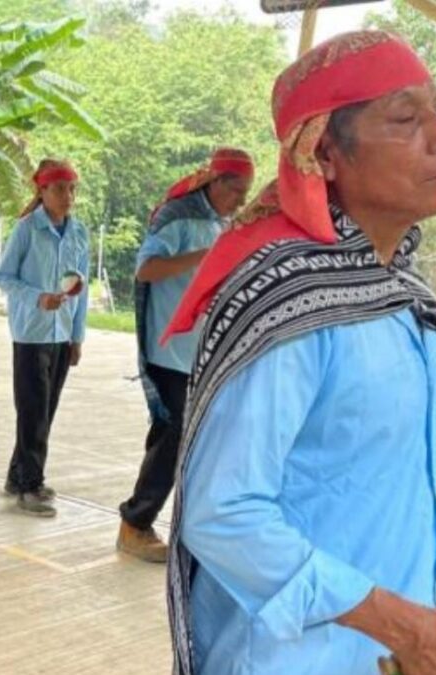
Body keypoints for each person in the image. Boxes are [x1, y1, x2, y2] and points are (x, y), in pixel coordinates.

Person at [163, 31, 436, 675]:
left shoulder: (411, 302)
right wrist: (410, 627)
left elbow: (392, 504)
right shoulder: (286, 298)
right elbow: (223, 515)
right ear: (322, 151)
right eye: (406, 118)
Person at [117, 148, 253, 563]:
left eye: (245, 193)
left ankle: (183, 524)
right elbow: (146, 270)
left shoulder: (223, 223)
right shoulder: (176, 217)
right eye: (235, 190)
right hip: (168, 349)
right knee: (171, 437)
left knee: (188, 441)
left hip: (202, 350)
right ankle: (135, 523)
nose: (240, 201)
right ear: (214, 182)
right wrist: (203, 257)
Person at [0, 159, 89, 518]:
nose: (68, 196)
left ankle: (18, 476)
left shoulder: (79, 233)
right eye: (61, 188)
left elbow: (83, 287)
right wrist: (38, 297)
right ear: (43, 191)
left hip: (62, 334)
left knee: (46, 410)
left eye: (72, 189)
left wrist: (77, 335)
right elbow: (3, 277)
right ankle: (31, 486)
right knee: (32, 411)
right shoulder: (27, 230)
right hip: (31, 333)